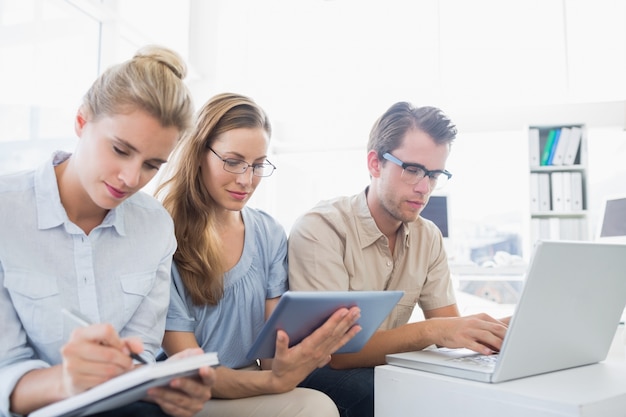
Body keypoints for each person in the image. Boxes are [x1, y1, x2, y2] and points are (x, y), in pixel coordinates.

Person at [0, 45, 216, 417]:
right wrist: (68, 381)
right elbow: (4, 372)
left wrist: (168, 387)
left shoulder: (154, 227)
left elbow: (141, 353)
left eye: (152, 165)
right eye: (120, 149)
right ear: (82, 121)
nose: (131, 179)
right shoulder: (7, 212)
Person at [287, 101, 510, 417]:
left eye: (434, 174)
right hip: (318, 372)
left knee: (460, 387)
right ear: (375, 164)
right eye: (413, 169)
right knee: (381, 391)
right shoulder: (322, 228)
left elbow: (447, 326)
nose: (424, 188)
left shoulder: (427, 236)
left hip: (382, 369)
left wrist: (502, 329)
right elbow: (335, 353)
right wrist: (436, 331)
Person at [153, 92, 362, 417]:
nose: (246, 180)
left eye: (258, 165)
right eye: (233, 161)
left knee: (320, 404)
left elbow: (271, 356)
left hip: (252, 381)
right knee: (315, 409)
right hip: (189, 393)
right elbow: (193, 372)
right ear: (198, 154)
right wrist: (275, 383)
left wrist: (304, 354)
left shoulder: (269, 233)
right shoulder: (163, 235)